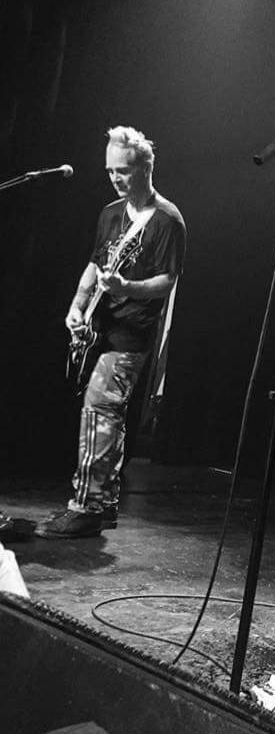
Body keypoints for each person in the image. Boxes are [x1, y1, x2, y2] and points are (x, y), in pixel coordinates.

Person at [36, 126, 186, 539]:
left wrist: (127, 287)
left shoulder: (167, 220)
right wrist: (77, 306)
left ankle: (86, 506)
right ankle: (104, 504)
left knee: (100, 406)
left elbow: (167, 280)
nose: (115, 179)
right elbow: (94, 263)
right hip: (101, 323)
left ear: (145, 168)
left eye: (123, 171)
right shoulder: (110, 213)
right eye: (109, 171)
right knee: (108, 415)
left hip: (133, 331)